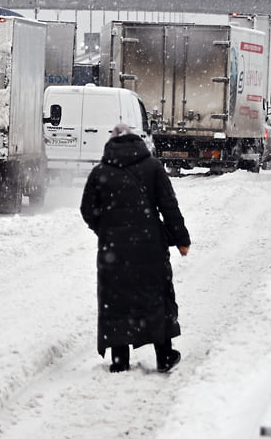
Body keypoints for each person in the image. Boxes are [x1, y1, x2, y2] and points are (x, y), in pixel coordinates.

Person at [80, 123, 191, 373]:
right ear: (137, 141)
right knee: (155, 297)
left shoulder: (100, 172)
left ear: (111, 144)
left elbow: (87, 210)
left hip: (114, 250)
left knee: (117, 300)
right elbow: (169, 207)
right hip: (149, 245)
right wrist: (182, 239)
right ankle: (164, 355)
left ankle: (120, 361)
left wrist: (106, 228)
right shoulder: (152, 167)